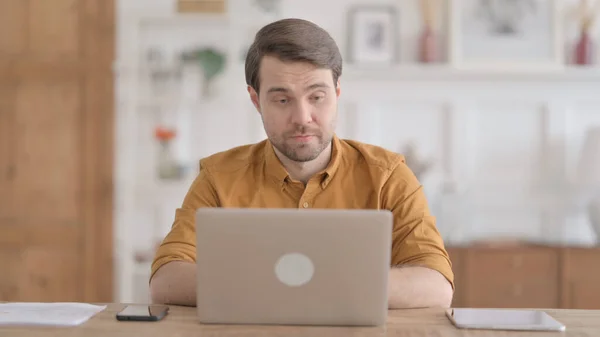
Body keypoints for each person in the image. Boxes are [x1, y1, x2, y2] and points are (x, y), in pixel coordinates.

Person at [149, 18, 454, 309]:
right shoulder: (218, 177)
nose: (302, 118)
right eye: (282, 100)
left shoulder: (388, 176)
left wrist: (301, 285)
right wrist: (307, 286)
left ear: (336, 93)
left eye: (317, 97)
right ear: (256, 101)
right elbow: (166, 280)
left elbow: (436, 285)